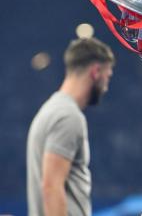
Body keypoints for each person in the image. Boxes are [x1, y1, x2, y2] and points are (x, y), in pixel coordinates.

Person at [27, 37, 115, 216]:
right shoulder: (68, 116)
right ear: (96, 71)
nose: (106, 87)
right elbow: (51, 187)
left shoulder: (51, 110)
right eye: (108, 76)